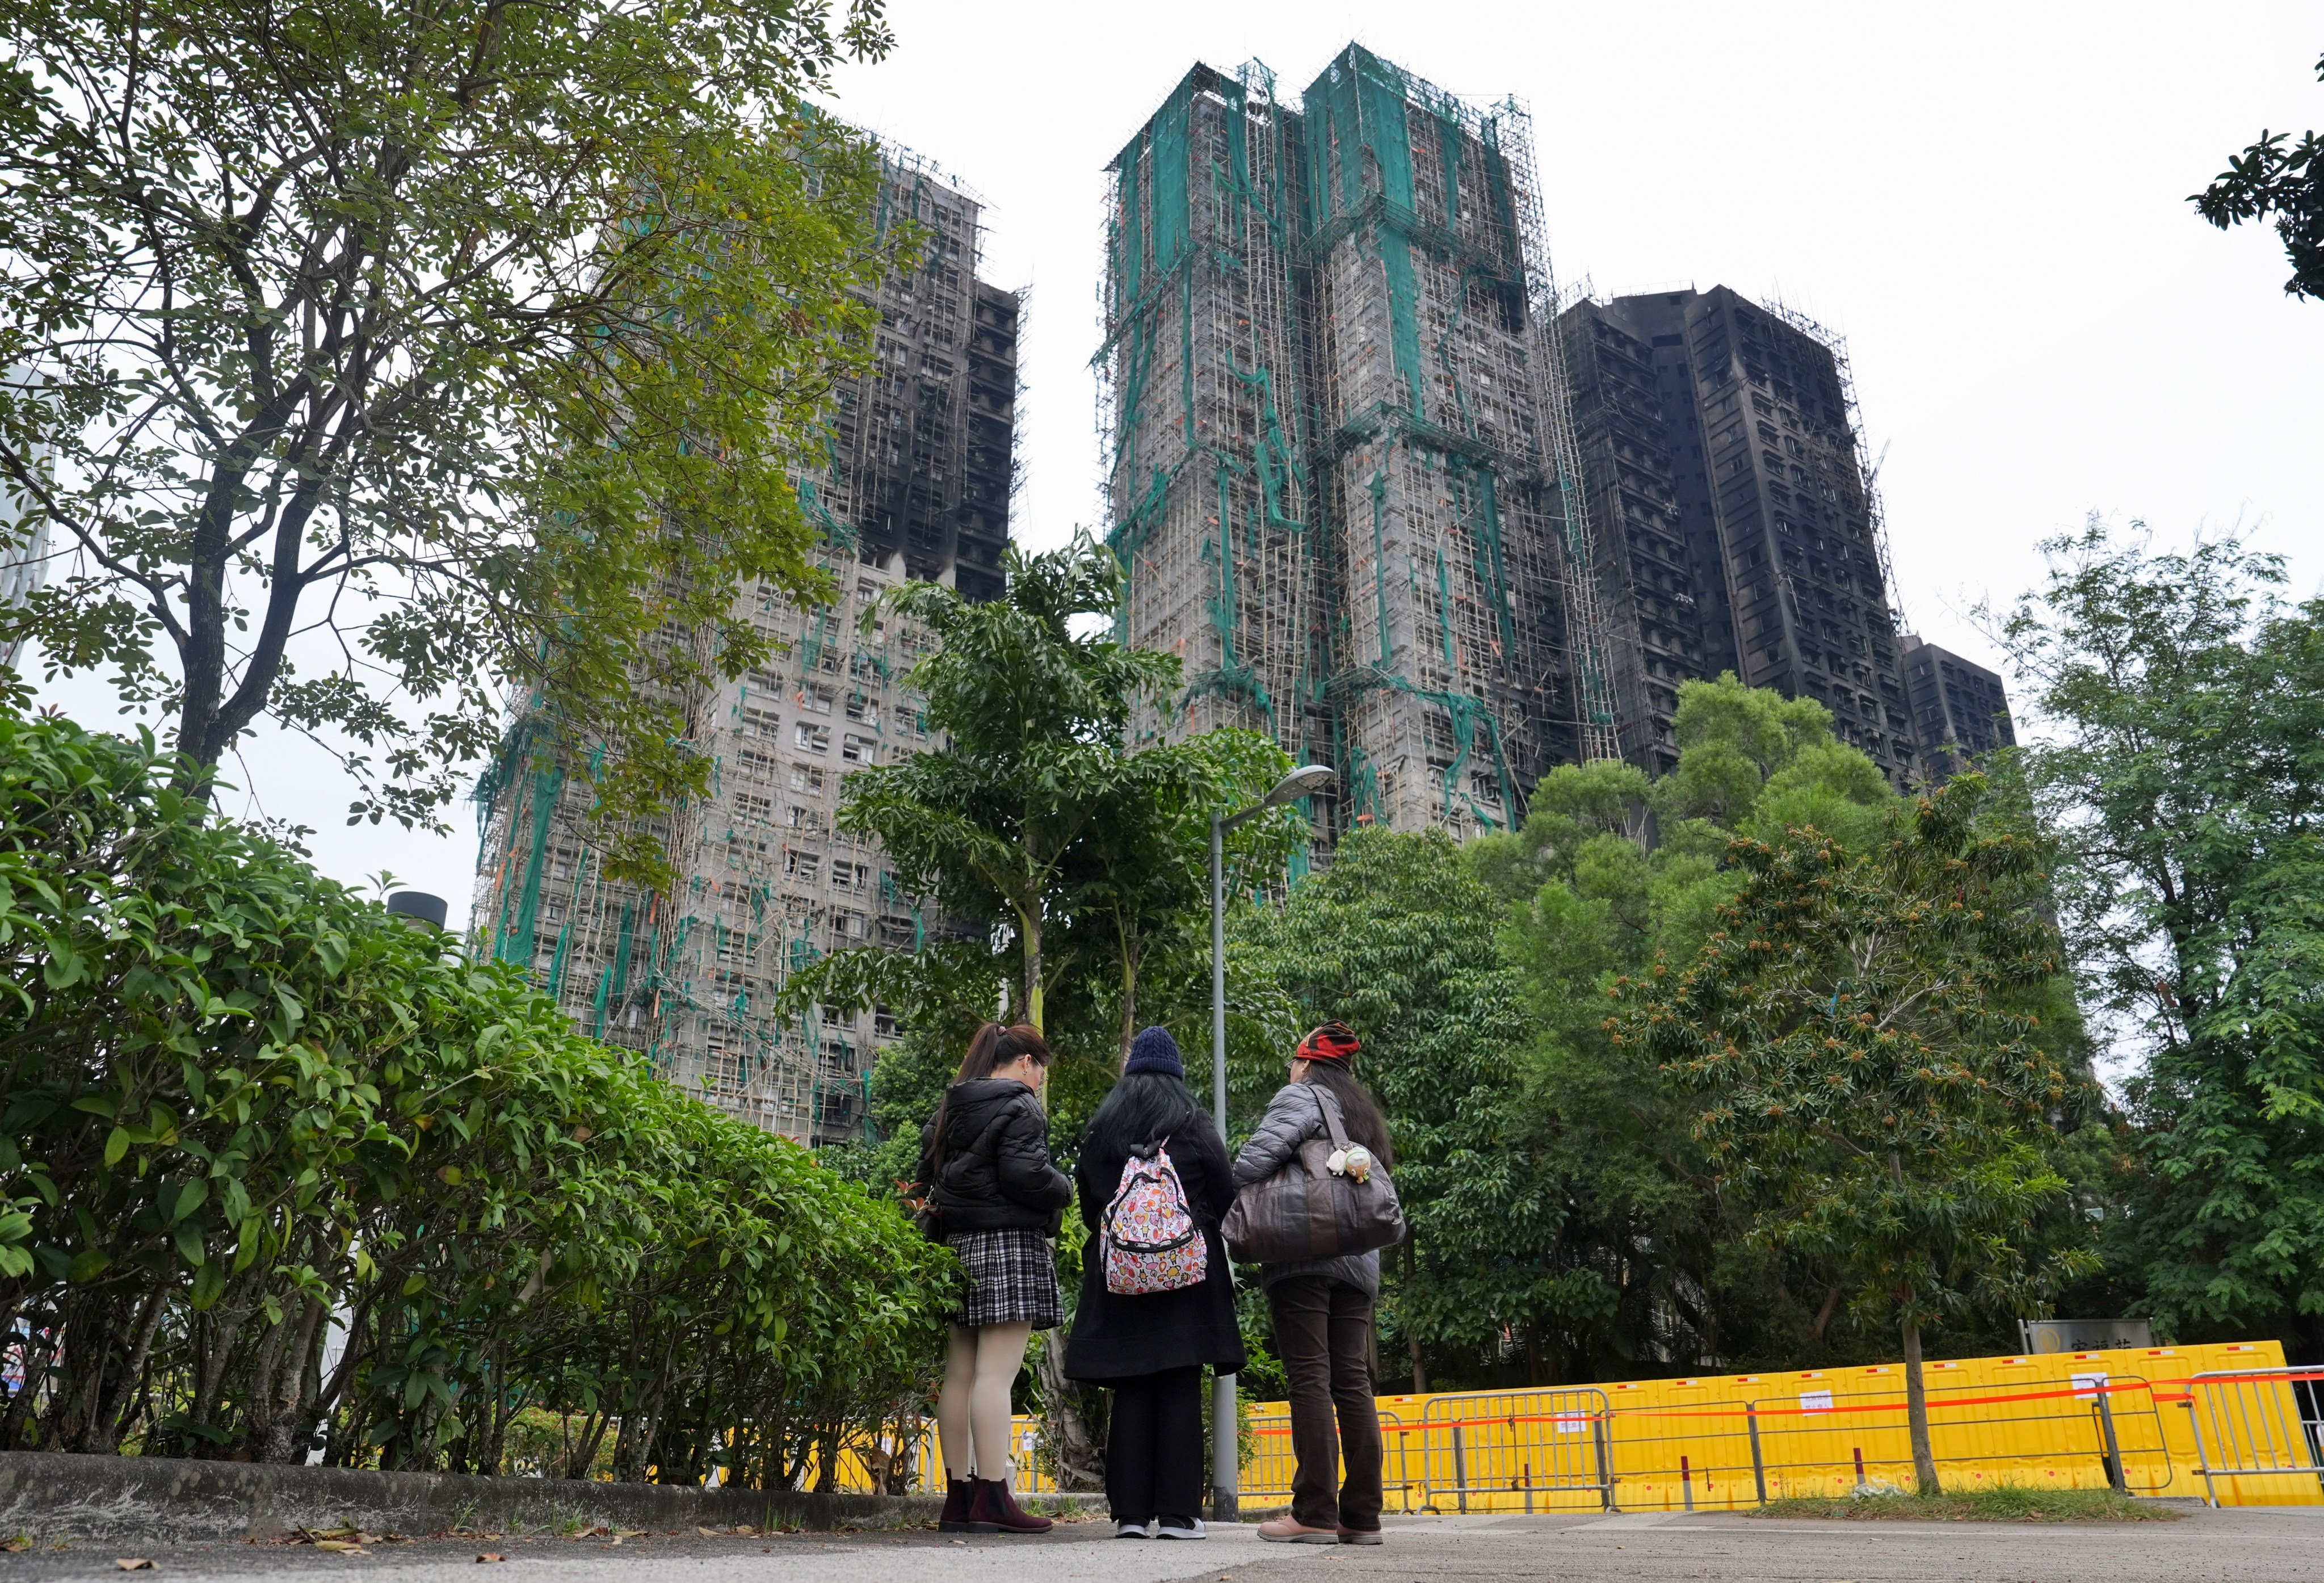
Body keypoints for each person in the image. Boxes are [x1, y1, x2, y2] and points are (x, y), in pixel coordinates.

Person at [1063, 1026, 1246, 1541]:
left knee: (1132, 1387)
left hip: (1120, 1276)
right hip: (1186, 1277)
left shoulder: (1105, 1125)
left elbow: (1089, 1199)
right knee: (1179, 1384)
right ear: (1176, 1075)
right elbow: (1225, 1188)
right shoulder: (1192, 1120)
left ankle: (1131, 1516)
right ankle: (1178, 1515)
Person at [1231, 1021, 1394, 1546]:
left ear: (1306, 1063)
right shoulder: (1363, 1115)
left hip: (1304, 1256)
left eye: (1293, 1061)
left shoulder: (1300, 1096)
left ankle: (1315, 1511)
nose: (1289, 1069)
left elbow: (1251, 1162)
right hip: (1359, 1261)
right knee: (1351, 1381)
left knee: (1309, 1377)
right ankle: (1362, 1515)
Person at [917, 1022, 1074, 1534]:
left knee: (960, 1373)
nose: (1039, 1083)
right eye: (1041, 1072)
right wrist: (1063, 1186)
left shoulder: (951, 1107)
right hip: (1008, 1244)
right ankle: (994, 1495)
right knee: (995, 1375)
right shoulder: (1020, 1104)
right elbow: (1024, 1175)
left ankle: (958, 1498)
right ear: (1025, 1062)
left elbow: (928, 1173)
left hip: (958, 1247)